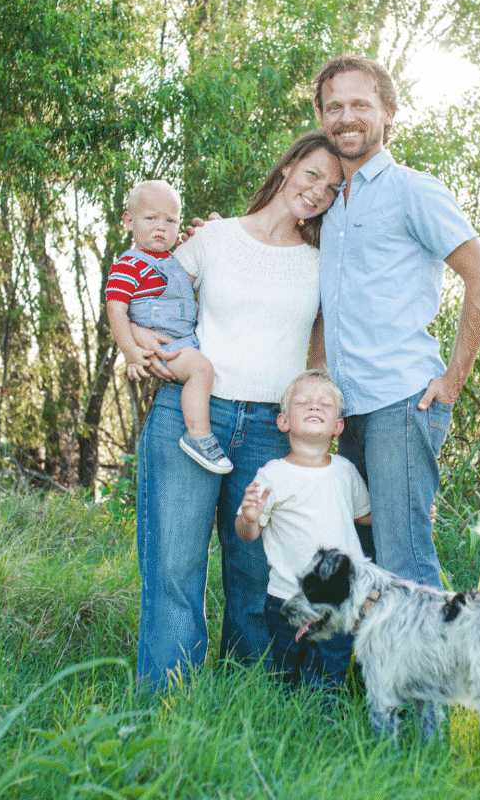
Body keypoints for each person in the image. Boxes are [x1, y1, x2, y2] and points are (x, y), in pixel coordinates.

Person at [127, 130, 344, 690]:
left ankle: (247, 701)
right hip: (192, 414)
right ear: (289, 165)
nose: (318, 190)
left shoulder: (323, 262)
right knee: (174, 566)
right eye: (312, 173)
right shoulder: (214, 238)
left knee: (255, 571)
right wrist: (138, 345)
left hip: (273, 429)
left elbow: (317, 350)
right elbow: (145, 286)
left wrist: (313, 415)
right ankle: (167, 702)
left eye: (333, 186)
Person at [313, 53, 480, 590]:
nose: (346, 117)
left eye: (359, 104)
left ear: (389, 112)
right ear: (323, 119)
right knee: (362, 563)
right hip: (347, 411)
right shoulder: (329, 204)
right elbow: (328, 303)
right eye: (334, 107)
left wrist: (452, 382)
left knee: (407, 566)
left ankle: (433, 678)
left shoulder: (415, 190)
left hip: (400, 401)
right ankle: (378, 676)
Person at [235, 369, 370, 691]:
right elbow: (247, 533)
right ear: (283, 422)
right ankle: (290, 729)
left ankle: (324, 728)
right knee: (289, 679)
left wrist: (413, 513)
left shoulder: (345, 471)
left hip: (338, 601)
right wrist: (250, 517)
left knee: (328, 678)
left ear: (338, 426)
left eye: (325, 404)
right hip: (286, 599)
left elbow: (364, 516)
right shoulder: (272, 475)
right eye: (303, 402)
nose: (314, 407)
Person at [106, 180, 232, 474]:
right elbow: (116, 308)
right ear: (128, 221)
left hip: (185, 338)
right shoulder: (128, 265)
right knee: (201, 370)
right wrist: (131, 352)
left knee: (202, 369)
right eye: (150, 218)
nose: (160, 227)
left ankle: (198, 431)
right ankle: (199, 436)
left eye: (170, 220)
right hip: (167, 345)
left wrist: (210, 233)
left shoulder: (174, 260)